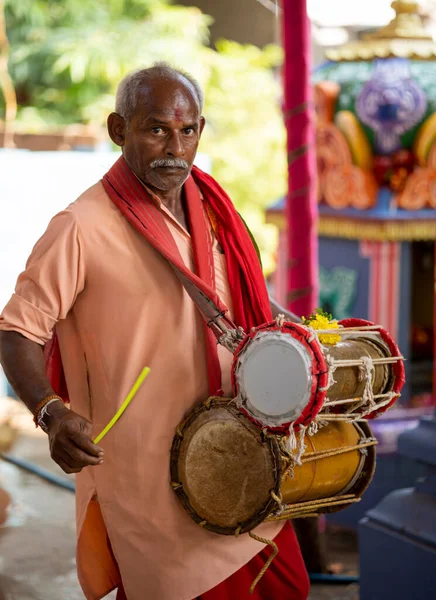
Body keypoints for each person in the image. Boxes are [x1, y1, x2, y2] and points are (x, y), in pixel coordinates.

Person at [0, 63, 310, 600]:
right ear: (119, 130)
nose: (174, 146)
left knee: (284, 587)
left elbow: (237, 306)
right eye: (156, 128)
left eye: (187, 131)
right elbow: (15, 331)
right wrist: (51, 413)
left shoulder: (212, 210)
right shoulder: (81, 226)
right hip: (147, 472)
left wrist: (300, 338)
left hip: (242, 451)